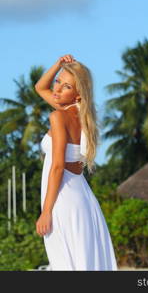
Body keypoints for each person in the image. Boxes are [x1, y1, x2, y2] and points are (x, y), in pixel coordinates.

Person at [35, 54, 117, 271]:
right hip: (82, 198)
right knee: (84, 262)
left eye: (66, 86)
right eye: (58, 81)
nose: (58, 89)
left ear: (78, 94)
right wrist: (59, 65)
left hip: (62, 200)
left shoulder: (58, 117)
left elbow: (58, 167)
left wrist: (46, 211)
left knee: (65, 263)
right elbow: (40, 87)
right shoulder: (83, 118)